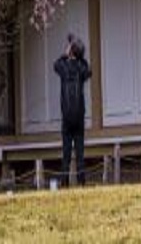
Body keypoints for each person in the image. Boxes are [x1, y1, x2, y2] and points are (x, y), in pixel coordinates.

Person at [54, 34, 92, 187]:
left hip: (66, 118)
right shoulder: (81, 69)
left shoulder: (63, 68)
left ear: (71, 52)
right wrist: (80, 57)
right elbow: (89, 70)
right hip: (79, 117)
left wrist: (66, 53)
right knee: (80, 152)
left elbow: (55, 64)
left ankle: (64, 183)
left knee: (66, 153)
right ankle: (82, 183)